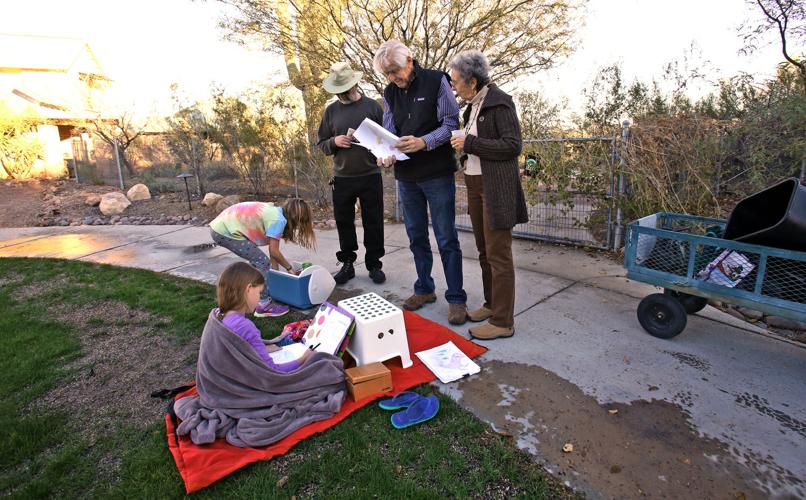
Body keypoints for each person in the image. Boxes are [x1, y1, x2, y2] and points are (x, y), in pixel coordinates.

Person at [373, 39, 468, 325]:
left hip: (437, 173)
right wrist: (385, 153)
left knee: (446, 238)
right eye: (387, 74)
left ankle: (456, 298)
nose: (393, 78)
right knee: (416, 237)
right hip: (407, 177)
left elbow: (452, 123)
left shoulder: (437, 81)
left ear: (410, 61)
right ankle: (424, 289)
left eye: (396, 71)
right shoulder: (390, 92)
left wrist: (424, 142)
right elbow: (389, 130)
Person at [448, 50, 528, 340]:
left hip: (495, 189)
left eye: (456, 81)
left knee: (499, 255)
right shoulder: (472, 106)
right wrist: (464, 148)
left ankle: (503, 321)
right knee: (484, 252)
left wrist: (469, 141)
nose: (453, 86)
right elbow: (477, 146)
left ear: (471, 80)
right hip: (474, 185)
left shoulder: (499, 103)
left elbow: (511, 146)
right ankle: (491, 305)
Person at [317, 61, 386, 285]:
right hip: (342, 178)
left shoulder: (373, 107)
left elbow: (386, 140)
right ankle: (348, 264)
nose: (341, 95)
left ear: (354, 85)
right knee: (344, 222)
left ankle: (374, 264)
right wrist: (334, 141)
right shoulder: (331, 111)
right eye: (337, 91)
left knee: (373, 222)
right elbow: (322, 144)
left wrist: (381, 153)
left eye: (344, 90)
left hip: (370, 175)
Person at [209, 198, 316, 317]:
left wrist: (275, 274)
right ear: (296, 219)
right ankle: (263, 305)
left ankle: (250, 296)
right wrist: (289, 268)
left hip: (221, 226)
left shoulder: (276, 213)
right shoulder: (278, 220)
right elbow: (274, 252)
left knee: (260, 263)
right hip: (224, 231)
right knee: (262, 262)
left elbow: (273, 250)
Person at [214, 262, 310, 372]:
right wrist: (304, 358)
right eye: (259, 292)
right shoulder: (243, 326)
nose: (260, 298)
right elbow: (272, 372)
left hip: (229, 374)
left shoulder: (219, 314)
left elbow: (242, 348)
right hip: (245, 381)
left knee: (283, 342)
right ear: (249, 289)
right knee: (320, 363)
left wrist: (263, 349)